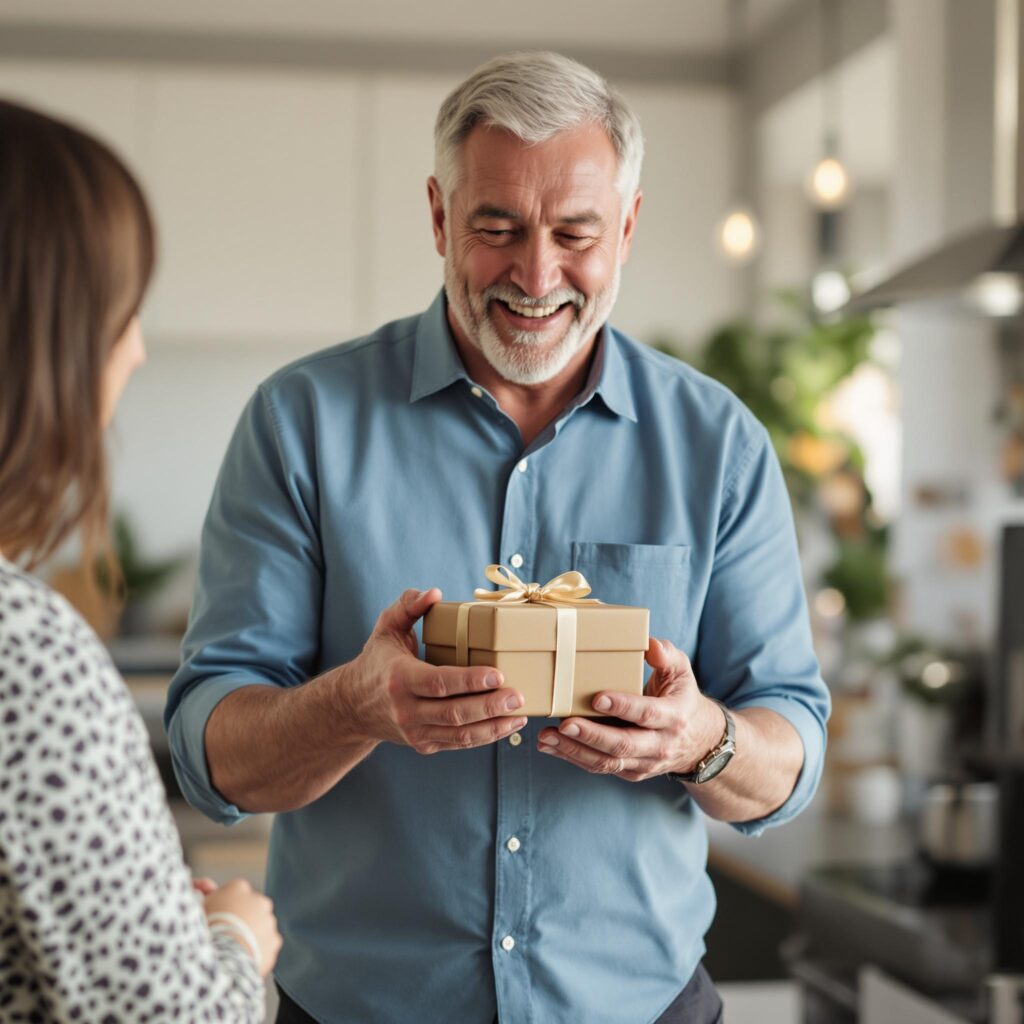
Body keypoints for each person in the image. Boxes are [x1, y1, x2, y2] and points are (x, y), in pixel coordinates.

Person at [165, 52, 830, 1024]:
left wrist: (701, 738)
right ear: (438, 217)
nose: (536, 273)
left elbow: (792, 748)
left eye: (574, 232)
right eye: (497, 228)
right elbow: (208, 755)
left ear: (628, 229)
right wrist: (355, 705)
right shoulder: (300, 423)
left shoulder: (717, 445)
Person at [0, 98, 282, 1021]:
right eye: (121, 311)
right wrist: (234, 938)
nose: (136, 347)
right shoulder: (28, 658)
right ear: (45, 343)